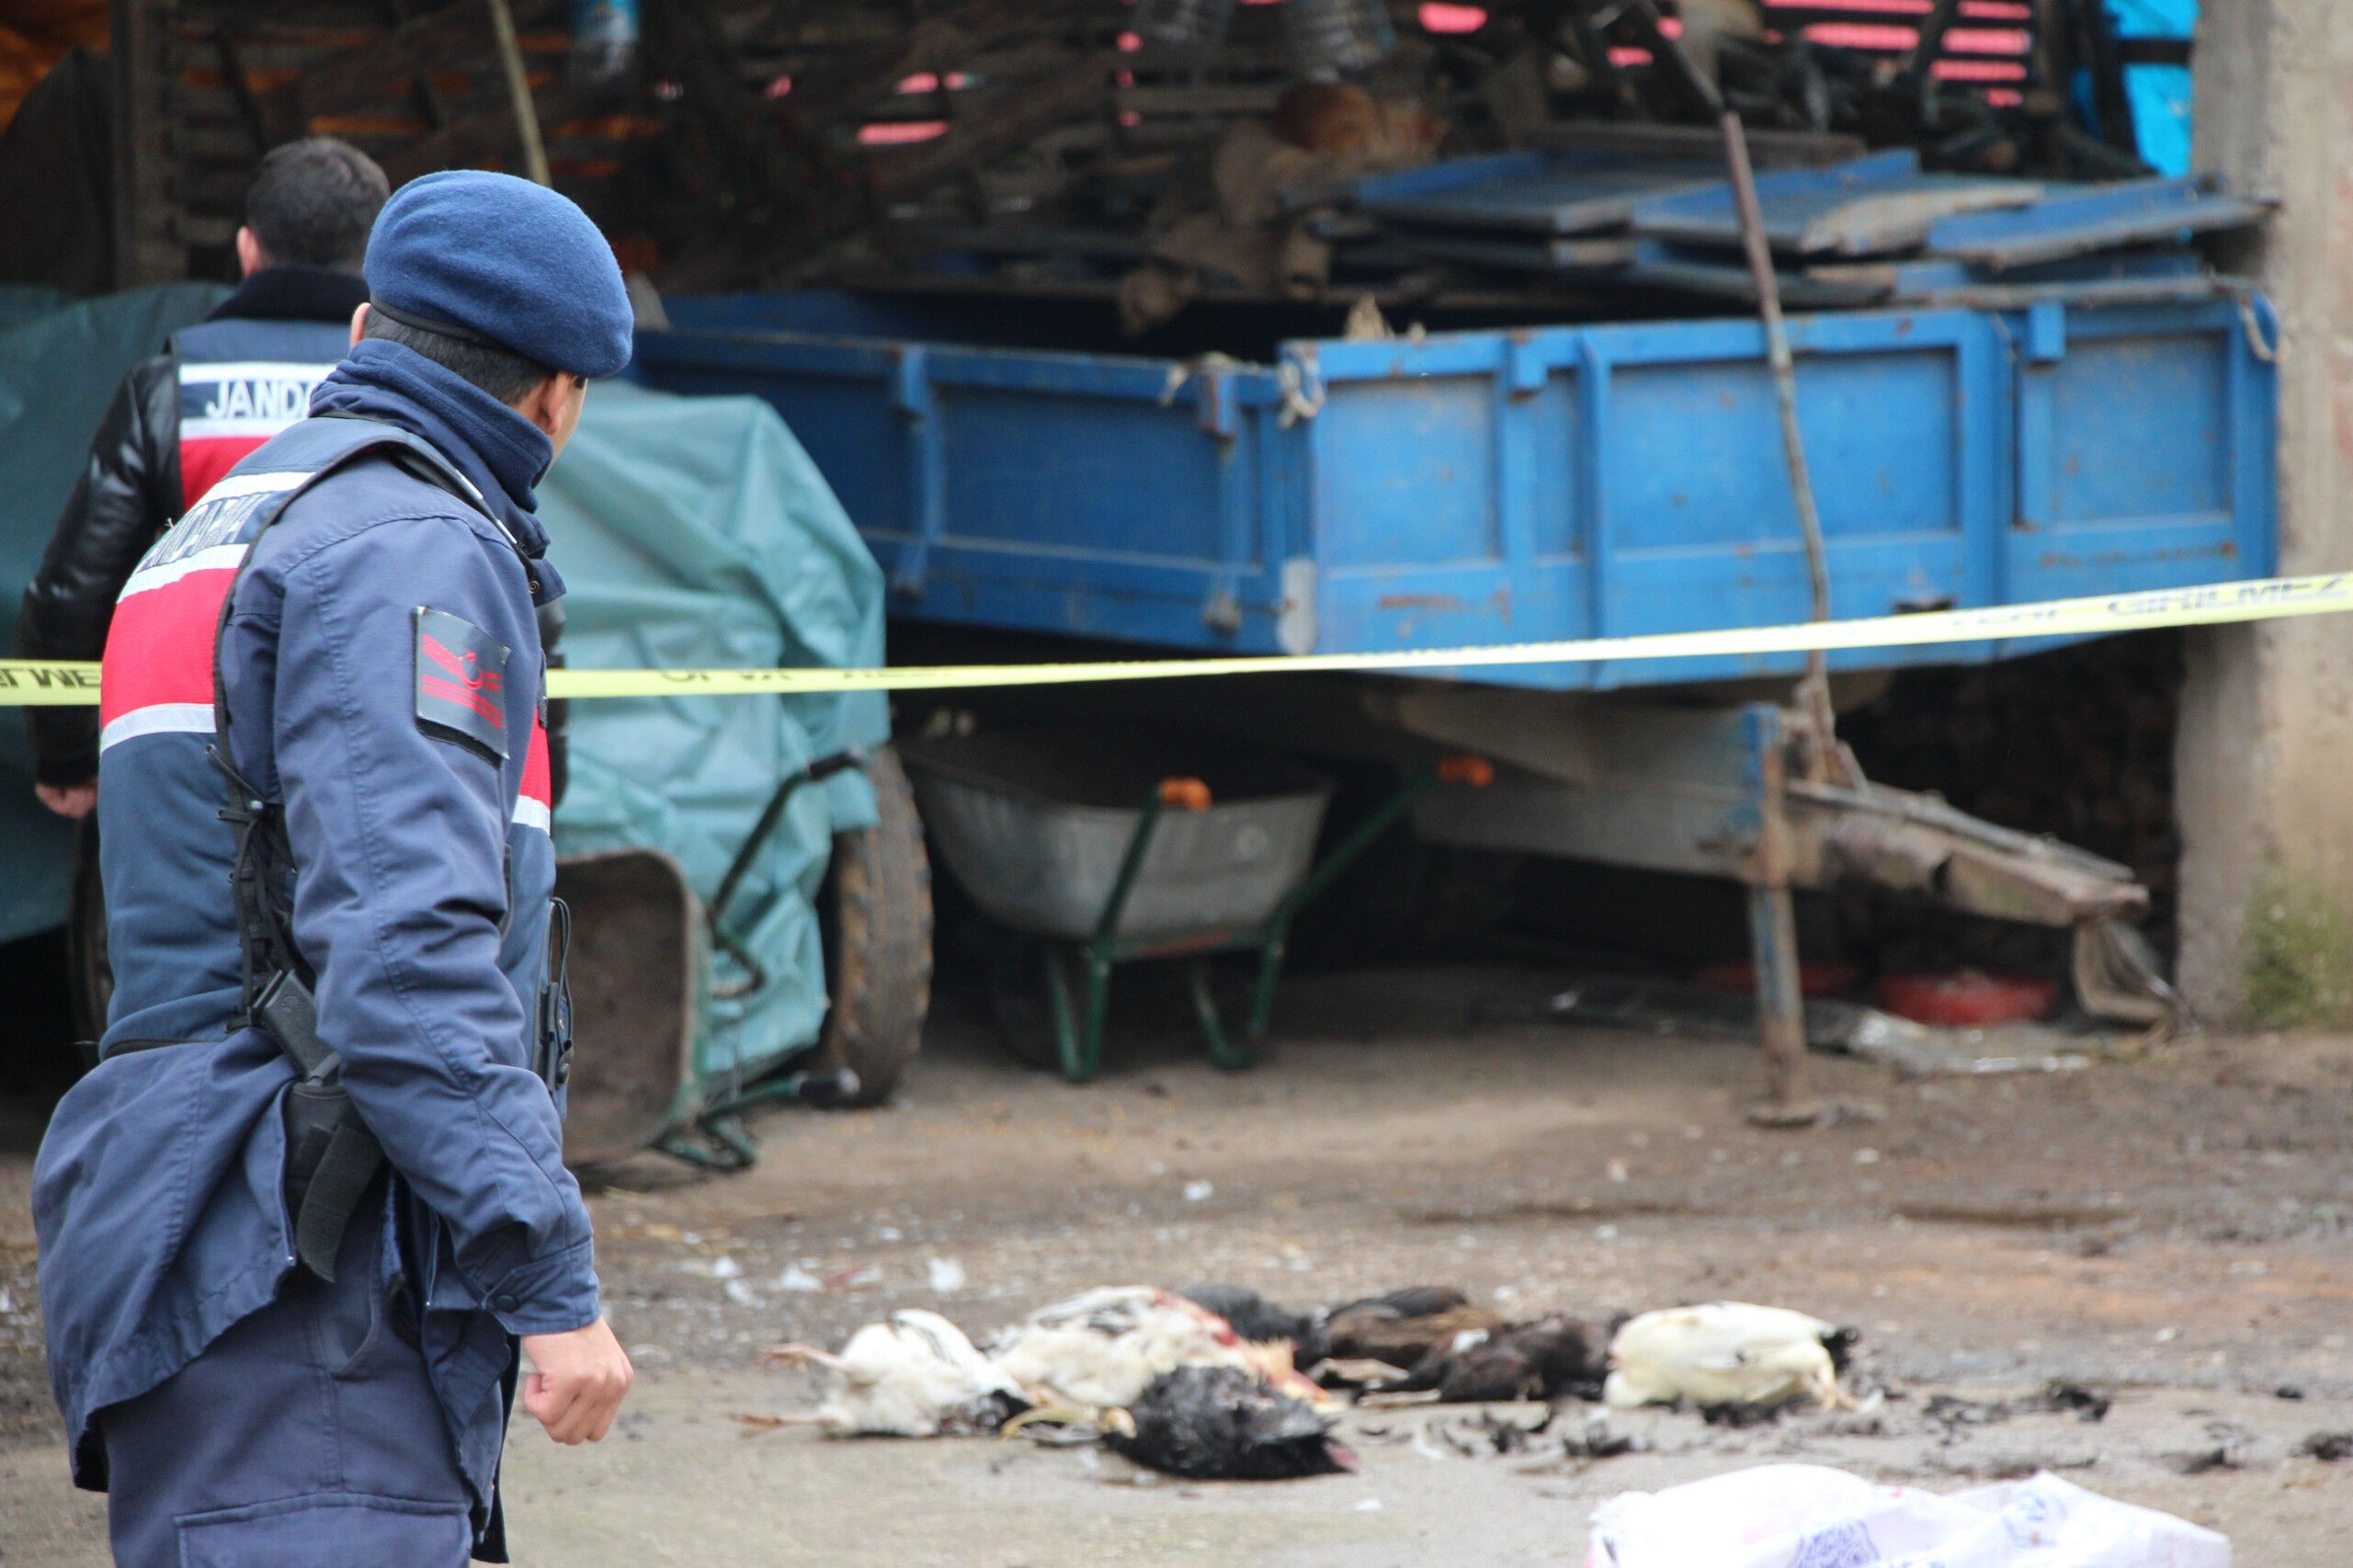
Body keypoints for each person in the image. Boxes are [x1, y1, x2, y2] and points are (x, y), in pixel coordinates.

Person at [33, 169, 635, 1566]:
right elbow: (407, 954)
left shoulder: (227, 521)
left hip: (206, 1214)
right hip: (305, 1261)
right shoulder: (414, 544)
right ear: (559, 397)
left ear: (364, 329)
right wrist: (543, 1271)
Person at [14, 137, 389, 820]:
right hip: (384, 757)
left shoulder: (176, 387)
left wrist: (67, 758)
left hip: (203, 771)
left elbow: (73, 591)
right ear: (379, 256)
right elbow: (521, 591)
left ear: (248, 251)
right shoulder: (420, 392)